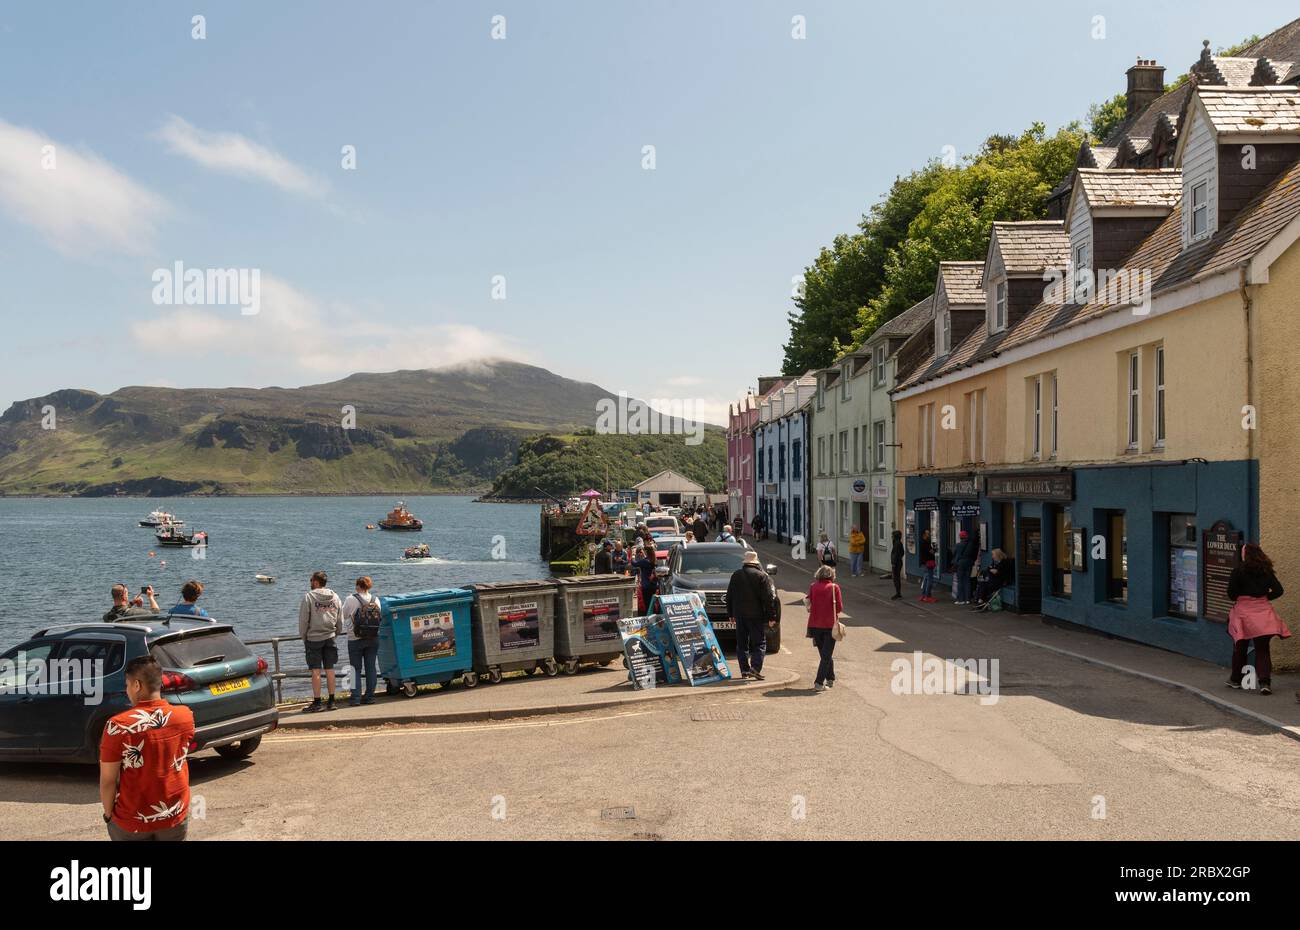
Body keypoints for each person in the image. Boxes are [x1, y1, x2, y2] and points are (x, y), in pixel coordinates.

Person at [99, 655, 195, 841]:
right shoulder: (185, 716)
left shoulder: (117, 725)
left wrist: (108, 814)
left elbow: (108, 781)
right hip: (173, 815)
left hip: (132, 820)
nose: (127, 691)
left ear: (137, 685)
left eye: (127, 685)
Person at [1227, 544, 1291, 696]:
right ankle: (1264, 683)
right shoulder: (1266, 571)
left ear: (1244, 555)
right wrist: (1263, 598)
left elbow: (1231, 594)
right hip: (1263, 613)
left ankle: (1236, 679)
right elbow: (1279, 590)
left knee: (1240, 647)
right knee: (1263, 649)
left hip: (1243, 613)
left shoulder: (1238, 571)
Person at [726, 550, 777, 681]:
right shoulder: (761, 576)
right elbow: (768, 598)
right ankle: (755, 668)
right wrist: (772, 617)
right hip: (756, 615)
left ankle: (744, 670)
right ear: (755, 563)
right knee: (759, 643)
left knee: (742, 644)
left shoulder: (736, 575)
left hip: (739, 615)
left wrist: (731, 613)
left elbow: (729, 596)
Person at [299, 571, 343, 713]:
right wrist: (335, 633)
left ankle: (317, 702)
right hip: (330, 637)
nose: (310, 582)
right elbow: (339, 619)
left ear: (316, 582)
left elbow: (303, 621)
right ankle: (332, 701)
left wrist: (304, 636)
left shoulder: (309, 597)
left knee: (316, 671)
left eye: (311, 580)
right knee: (330, 669)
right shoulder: (335, 597)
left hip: (313, 638)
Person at [343, 576, 381, 707]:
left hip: (355, 639)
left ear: (358, 586)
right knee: (371, 667)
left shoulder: (350, 599)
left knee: (355, 669)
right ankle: (370, 696)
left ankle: (355, 698)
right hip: (373, 637)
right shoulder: (376, 599)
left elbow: (344, 616)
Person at [806, 565, 843, 692]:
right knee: (826, 656)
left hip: (815, 625)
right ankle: (818, 682)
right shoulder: (834, 587)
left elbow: (809, 603)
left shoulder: (813, 586)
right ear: (831, 575)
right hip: (829, 625)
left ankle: (831, 678)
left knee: (824, 654)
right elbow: (839, 608)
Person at [953, 531, 980, 605]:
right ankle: (968, 599)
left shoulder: (958, 545)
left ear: (960, 537)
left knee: (960, 581)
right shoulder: (971, 544)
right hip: (969, 563)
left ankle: (961, 599)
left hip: (960, 564)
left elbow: (954, 554)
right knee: (967, 580)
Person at [632, 547, 658, 614]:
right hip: (653, 585)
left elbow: (634, 563)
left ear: (646, 552)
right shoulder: (653, 560)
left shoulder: (645, 561)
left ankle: (649, 617)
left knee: (647, 604)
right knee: (652, 603)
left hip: (646, 586)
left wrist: (633, 555)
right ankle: (654, 616)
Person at [918, 528, 937, 603]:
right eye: (927, 534)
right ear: (924, 535)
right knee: (930, 579)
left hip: (925, 562)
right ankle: (927, 596)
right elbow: (931, 551)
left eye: (929, 533)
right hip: (929, 562)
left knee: (925, 579)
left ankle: (923, 595)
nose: (929, 535)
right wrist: (935, 549)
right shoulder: (926, 543)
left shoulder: (922, 542)